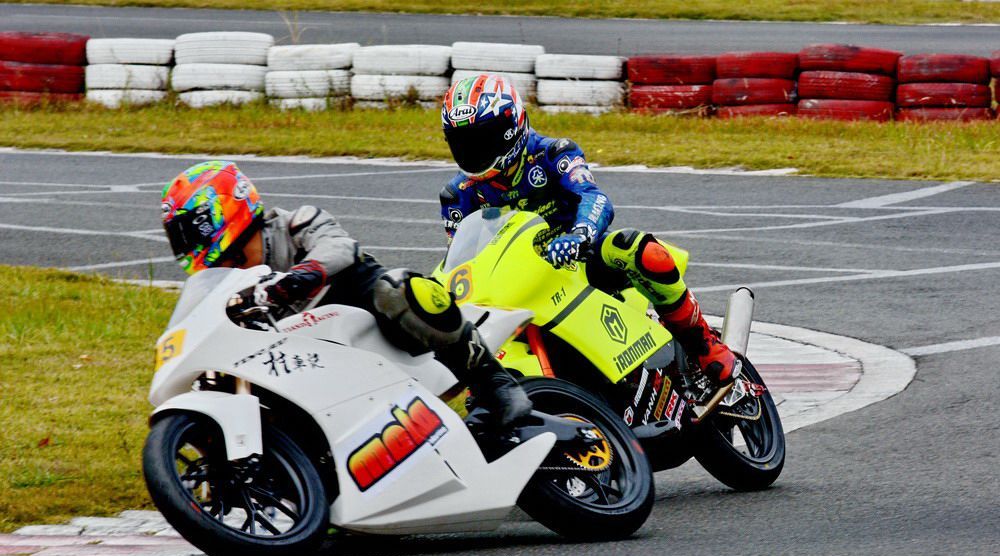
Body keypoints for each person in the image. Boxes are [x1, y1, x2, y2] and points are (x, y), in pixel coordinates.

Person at [161, 159, 531, 427]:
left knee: (399, 288)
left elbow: (338, 247)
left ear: (221, 211)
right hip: (316, 374)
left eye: (188, 231)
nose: (185, 243)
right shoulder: (227, 286)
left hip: (379, 328)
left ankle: (494, 383)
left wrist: (296, 279)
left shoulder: (296, 224)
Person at [439, 75, 737, 384]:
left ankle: (703, 344)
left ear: (511, 128)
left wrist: (580, 235)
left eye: (481, 139)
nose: (471, 150)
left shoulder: (554, 153)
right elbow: (462, 257)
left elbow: (594, 198)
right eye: (461, 141)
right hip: (517, 284)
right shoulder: (457, 194)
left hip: (578, 258)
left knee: (641, 251)